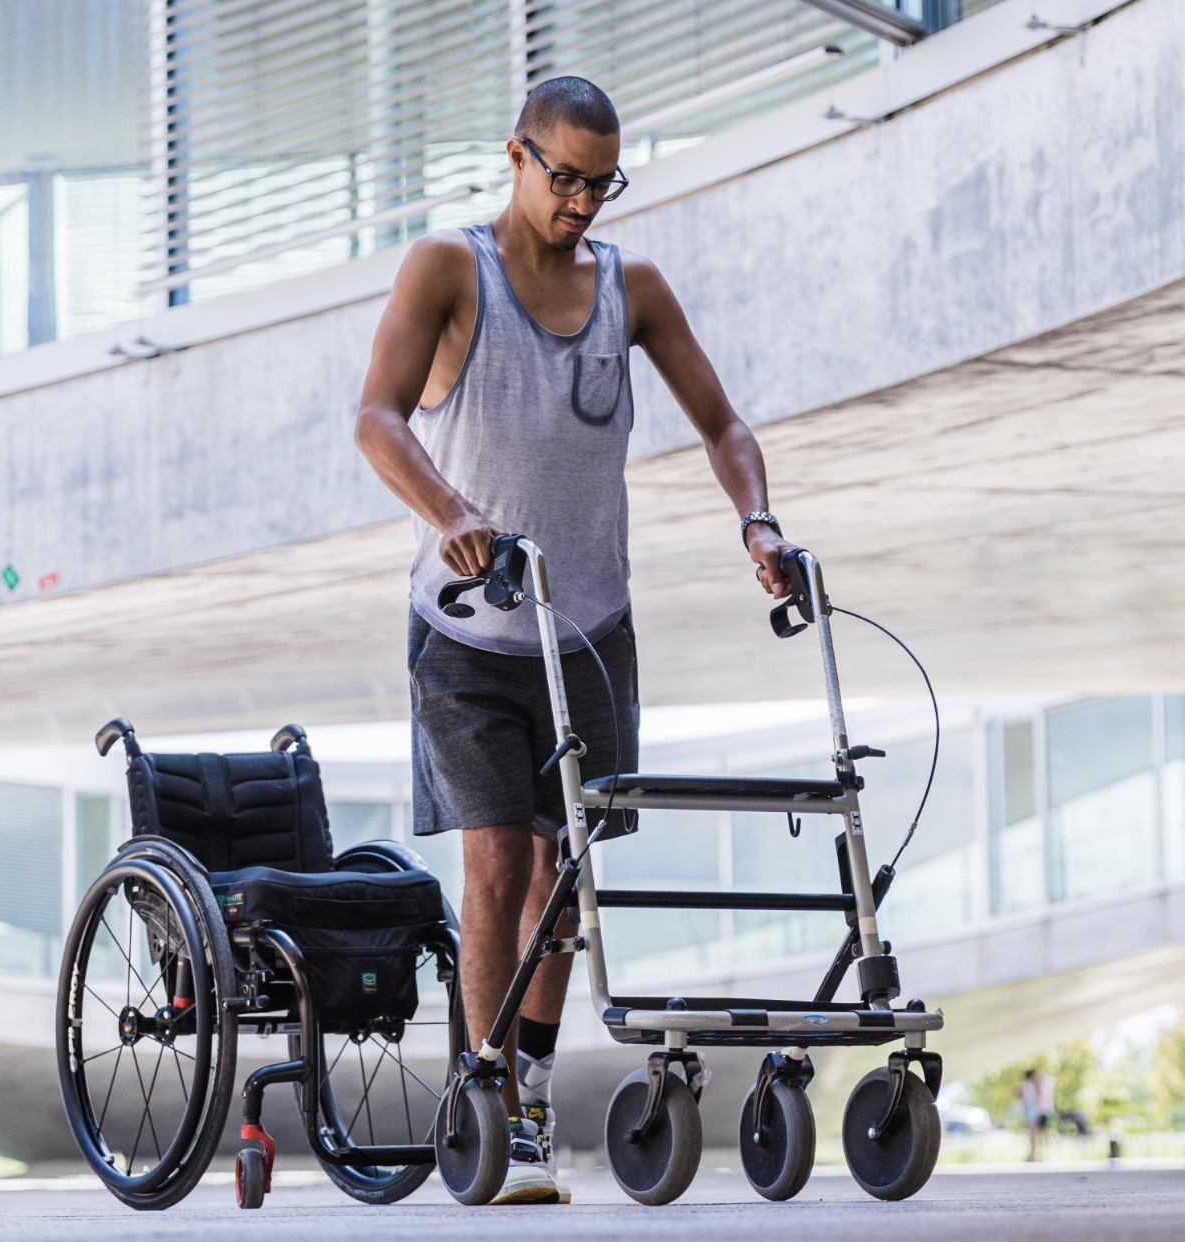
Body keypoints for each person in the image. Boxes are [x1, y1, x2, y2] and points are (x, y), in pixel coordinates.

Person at [355, 76, 798, 1204]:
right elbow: (375, 416)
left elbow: (722, 421)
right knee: (499, 858)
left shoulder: (628, 289)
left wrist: (756, 518)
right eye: (564, 177)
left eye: (602, 182)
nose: (582, 202)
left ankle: (534, 1098)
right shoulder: (447, 270)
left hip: (590, 631)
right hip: (467, 630)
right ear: (515, 155)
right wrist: (450, 514)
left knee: (566, 876)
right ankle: (482, 1091)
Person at [1020, 1067, 1054, 1161]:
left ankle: (1035, 1154)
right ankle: (1034, 1154)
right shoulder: (1029, 1085)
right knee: (1034, 1133)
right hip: (1032, 1111)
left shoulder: (1029, 1084)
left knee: (1035, 1133)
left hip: (1033, 1111)